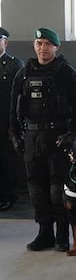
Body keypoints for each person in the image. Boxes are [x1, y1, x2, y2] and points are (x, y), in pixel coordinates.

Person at [9, 28, 76, 251]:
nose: (42, 48)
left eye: (47, 44)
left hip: (57, 138)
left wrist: (72, 134)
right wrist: (14, 135)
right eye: (38, 43)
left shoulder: (66, 72)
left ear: (56, 47)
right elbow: (13, 108)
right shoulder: (23, 73)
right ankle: (45, 233)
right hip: (32, 138)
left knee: (57, 189)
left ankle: (62, 234)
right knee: (36, 188)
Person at [0, 27, 24, 212]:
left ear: (5, 43)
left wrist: (15, 124)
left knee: (6, 160)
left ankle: (7, 195)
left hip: (5, 121)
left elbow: (19, 97)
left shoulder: (15, 65)